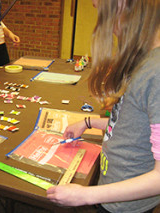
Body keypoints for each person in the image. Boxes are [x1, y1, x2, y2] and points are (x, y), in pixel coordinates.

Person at [47, 0, 160, 212]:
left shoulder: (156, 72)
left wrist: (86, 194)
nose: (106, 26)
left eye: (103, 14)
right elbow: (133, 123)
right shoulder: (143, 59)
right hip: (113, 188)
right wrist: (88, 122)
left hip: (125, 204)